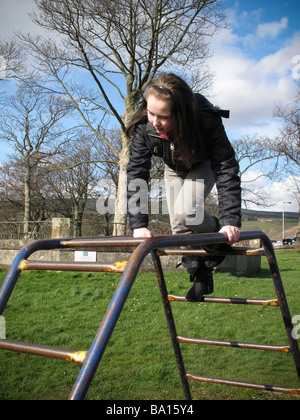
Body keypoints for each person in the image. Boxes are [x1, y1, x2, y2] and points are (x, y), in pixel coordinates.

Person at [126, 73, 241, 301]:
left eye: (163, 116)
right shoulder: (144, 127)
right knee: (179, 228)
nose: (154, 122)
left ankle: (220, 241)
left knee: (187, 211)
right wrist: (139, 225)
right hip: (174, 168)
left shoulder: (206, 120)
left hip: (203, 162)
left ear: (181, 114)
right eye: (151, 113)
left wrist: (229, 222)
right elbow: (137, 173)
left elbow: (226, 168)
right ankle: (202, 272)